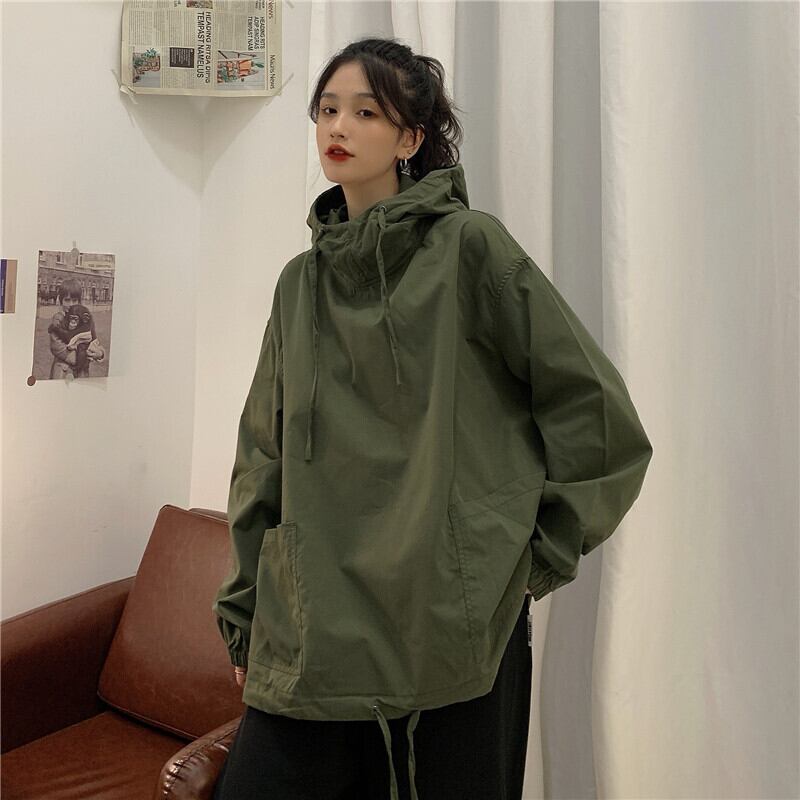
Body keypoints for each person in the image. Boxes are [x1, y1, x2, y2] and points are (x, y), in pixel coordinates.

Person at [212, 36, 653, 800]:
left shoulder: (469, 250)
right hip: (313, 630)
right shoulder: (299, 284)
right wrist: (245, 609)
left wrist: (523, 560)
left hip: (450, 631)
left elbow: (598, 418)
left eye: (365, 112)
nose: (337, 127)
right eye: (326, 109)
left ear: (410, 139)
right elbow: (263, 458)